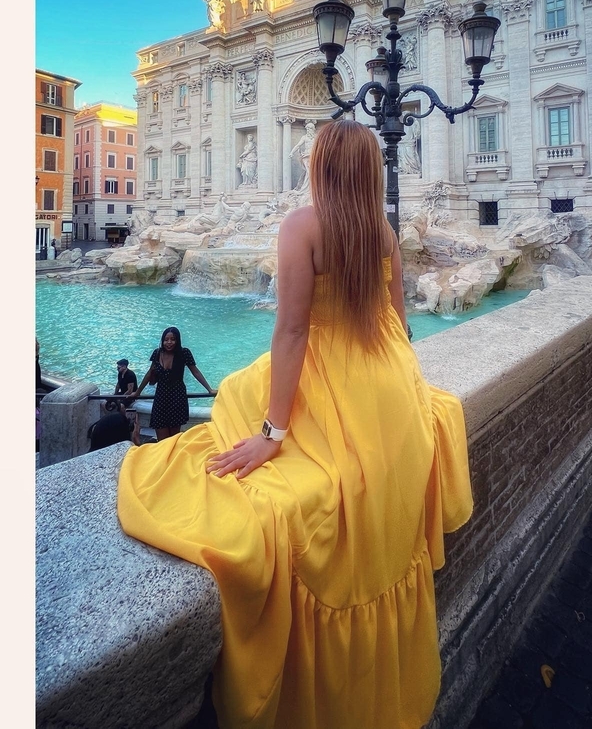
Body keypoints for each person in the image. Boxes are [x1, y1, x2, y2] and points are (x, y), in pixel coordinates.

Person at [117, 120, 473, 729]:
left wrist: (274, 433)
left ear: (320, 168)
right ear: (371, 172)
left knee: (235, 393)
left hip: (329, 375)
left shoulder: (302, 226)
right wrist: (405, 394)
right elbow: (398, 324)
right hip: (387, 376)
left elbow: (292, 331)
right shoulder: (383, 231)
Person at [127, 327, 217, 441]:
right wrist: (137, 392)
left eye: (172, 339)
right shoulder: (157, 353)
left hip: (177, 399)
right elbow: (150, 373)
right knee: (162, 440)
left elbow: (195, 372)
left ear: (178, 340)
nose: (169, 342)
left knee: (173, 440)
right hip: (161, 399)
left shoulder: (184, 353)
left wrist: (209, 389)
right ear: (162, 340)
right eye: (166, 339)